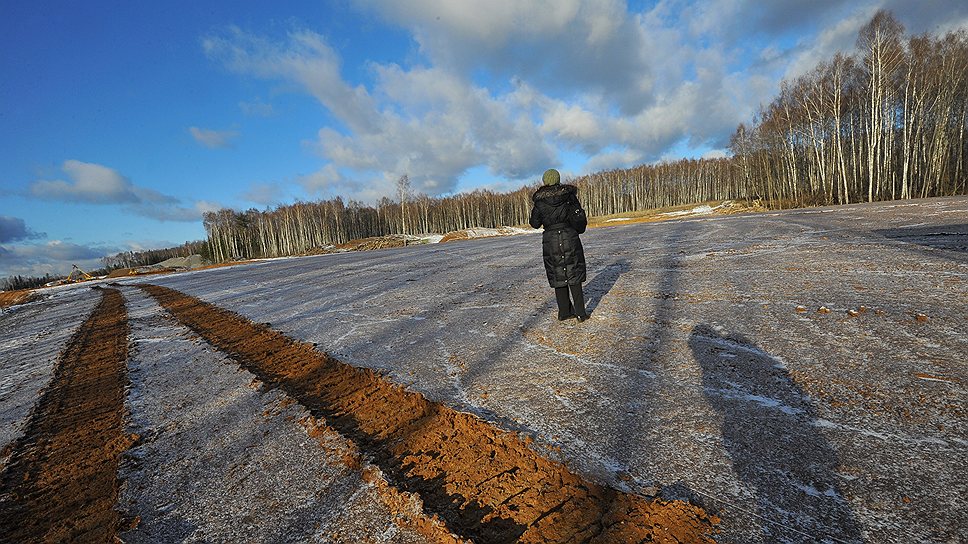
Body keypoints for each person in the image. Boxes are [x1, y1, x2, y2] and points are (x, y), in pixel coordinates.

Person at [529, 168, 589, 321]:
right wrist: (578, 229)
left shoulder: (540, 201)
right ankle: (581, 313)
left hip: (551, 240)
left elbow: (534, 223)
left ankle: (564, 312)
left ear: (545, 181)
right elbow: (579, 217)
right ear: (557, 179)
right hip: (569, 236)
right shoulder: (569, 196)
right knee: (573, 272)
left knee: (558, 274)